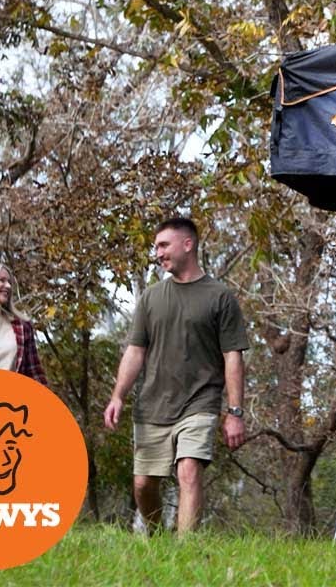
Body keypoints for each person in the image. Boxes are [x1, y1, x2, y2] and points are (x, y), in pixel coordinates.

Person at [103, 217, 248, 534]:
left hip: (200, 401)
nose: (158, 253)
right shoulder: (151, 298)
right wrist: (118, 396)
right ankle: (155, 540)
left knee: (189, 472)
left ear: (188, 244)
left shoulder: (219, 297)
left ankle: (187, 552)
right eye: (156, 247)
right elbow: (135, 351)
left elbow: (232, 357)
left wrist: (235, 412)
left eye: (163, 245)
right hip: (153, 404)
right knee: (143, 485)